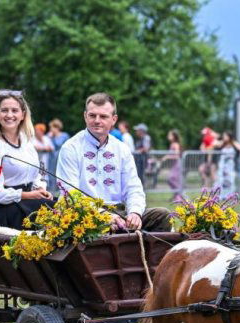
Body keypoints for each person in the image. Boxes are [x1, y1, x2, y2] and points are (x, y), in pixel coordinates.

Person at [58, 92, 172, 232]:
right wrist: (102, 215)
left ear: (114, 119)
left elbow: (133, 187)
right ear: (85, 116)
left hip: (119, 213)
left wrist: (135, 212)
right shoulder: (70, 147)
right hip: (85, 214)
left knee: (163, 215)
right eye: (92, 115)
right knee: (101, 226)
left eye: (103, 116)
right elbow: (70, 194)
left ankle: (148, 254)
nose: (97, 120)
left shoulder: (122, 149)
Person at [0, 89, 54, 231]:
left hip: (27, 203)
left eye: (14, 110)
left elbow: (36, 174)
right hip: (3, 209)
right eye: (4, 110)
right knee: (54, 213)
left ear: (23, 115)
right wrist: (27, 195)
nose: (9, 115)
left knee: (64, 209)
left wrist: (40, 189)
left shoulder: (27, 142)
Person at [215, 131, 240, 197]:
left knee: (230, 181)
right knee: (221, 181)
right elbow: (215, 144)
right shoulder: (222, 144)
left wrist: (233, 142)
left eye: (225, 136)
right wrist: (222, 141)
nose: (224, 137)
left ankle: (229, 196)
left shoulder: (234, 144)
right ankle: (221, 196)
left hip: (231, 167)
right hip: (222, 167)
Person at [47, 118, 70, 193]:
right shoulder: (49, 136)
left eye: (52, 127)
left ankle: (62, 190)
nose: (51, 129)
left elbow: (68, 147)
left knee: (61, 173)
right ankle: (52, 191)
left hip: (61, 158)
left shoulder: (64, 135)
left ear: (57, 127)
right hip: (52, 158)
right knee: (51, 173)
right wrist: (49, 138)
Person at [166, 129, 184, 201]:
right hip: (173, 165)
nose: (168, 136)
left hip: (177, 165)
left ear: (173, 136)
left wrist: (168, 157)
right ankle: (176, 195)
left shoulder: (175, 145)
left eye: (169, 135)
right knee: (170, 180)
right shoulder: (172, 144)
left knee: (171, 179)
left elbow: (177, 155)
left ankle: (179, 196)